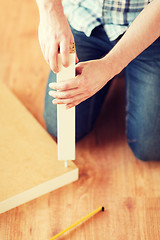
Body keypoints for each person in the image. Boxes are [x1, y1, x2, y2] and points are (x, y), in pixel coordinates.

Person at [35, 0, 160, 161]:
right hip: (85, 17)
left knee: (149, 147)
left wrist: (110, 66)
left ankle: (120, 67)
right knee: (61, 128)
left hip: (150, 30)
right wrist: (50, 12)